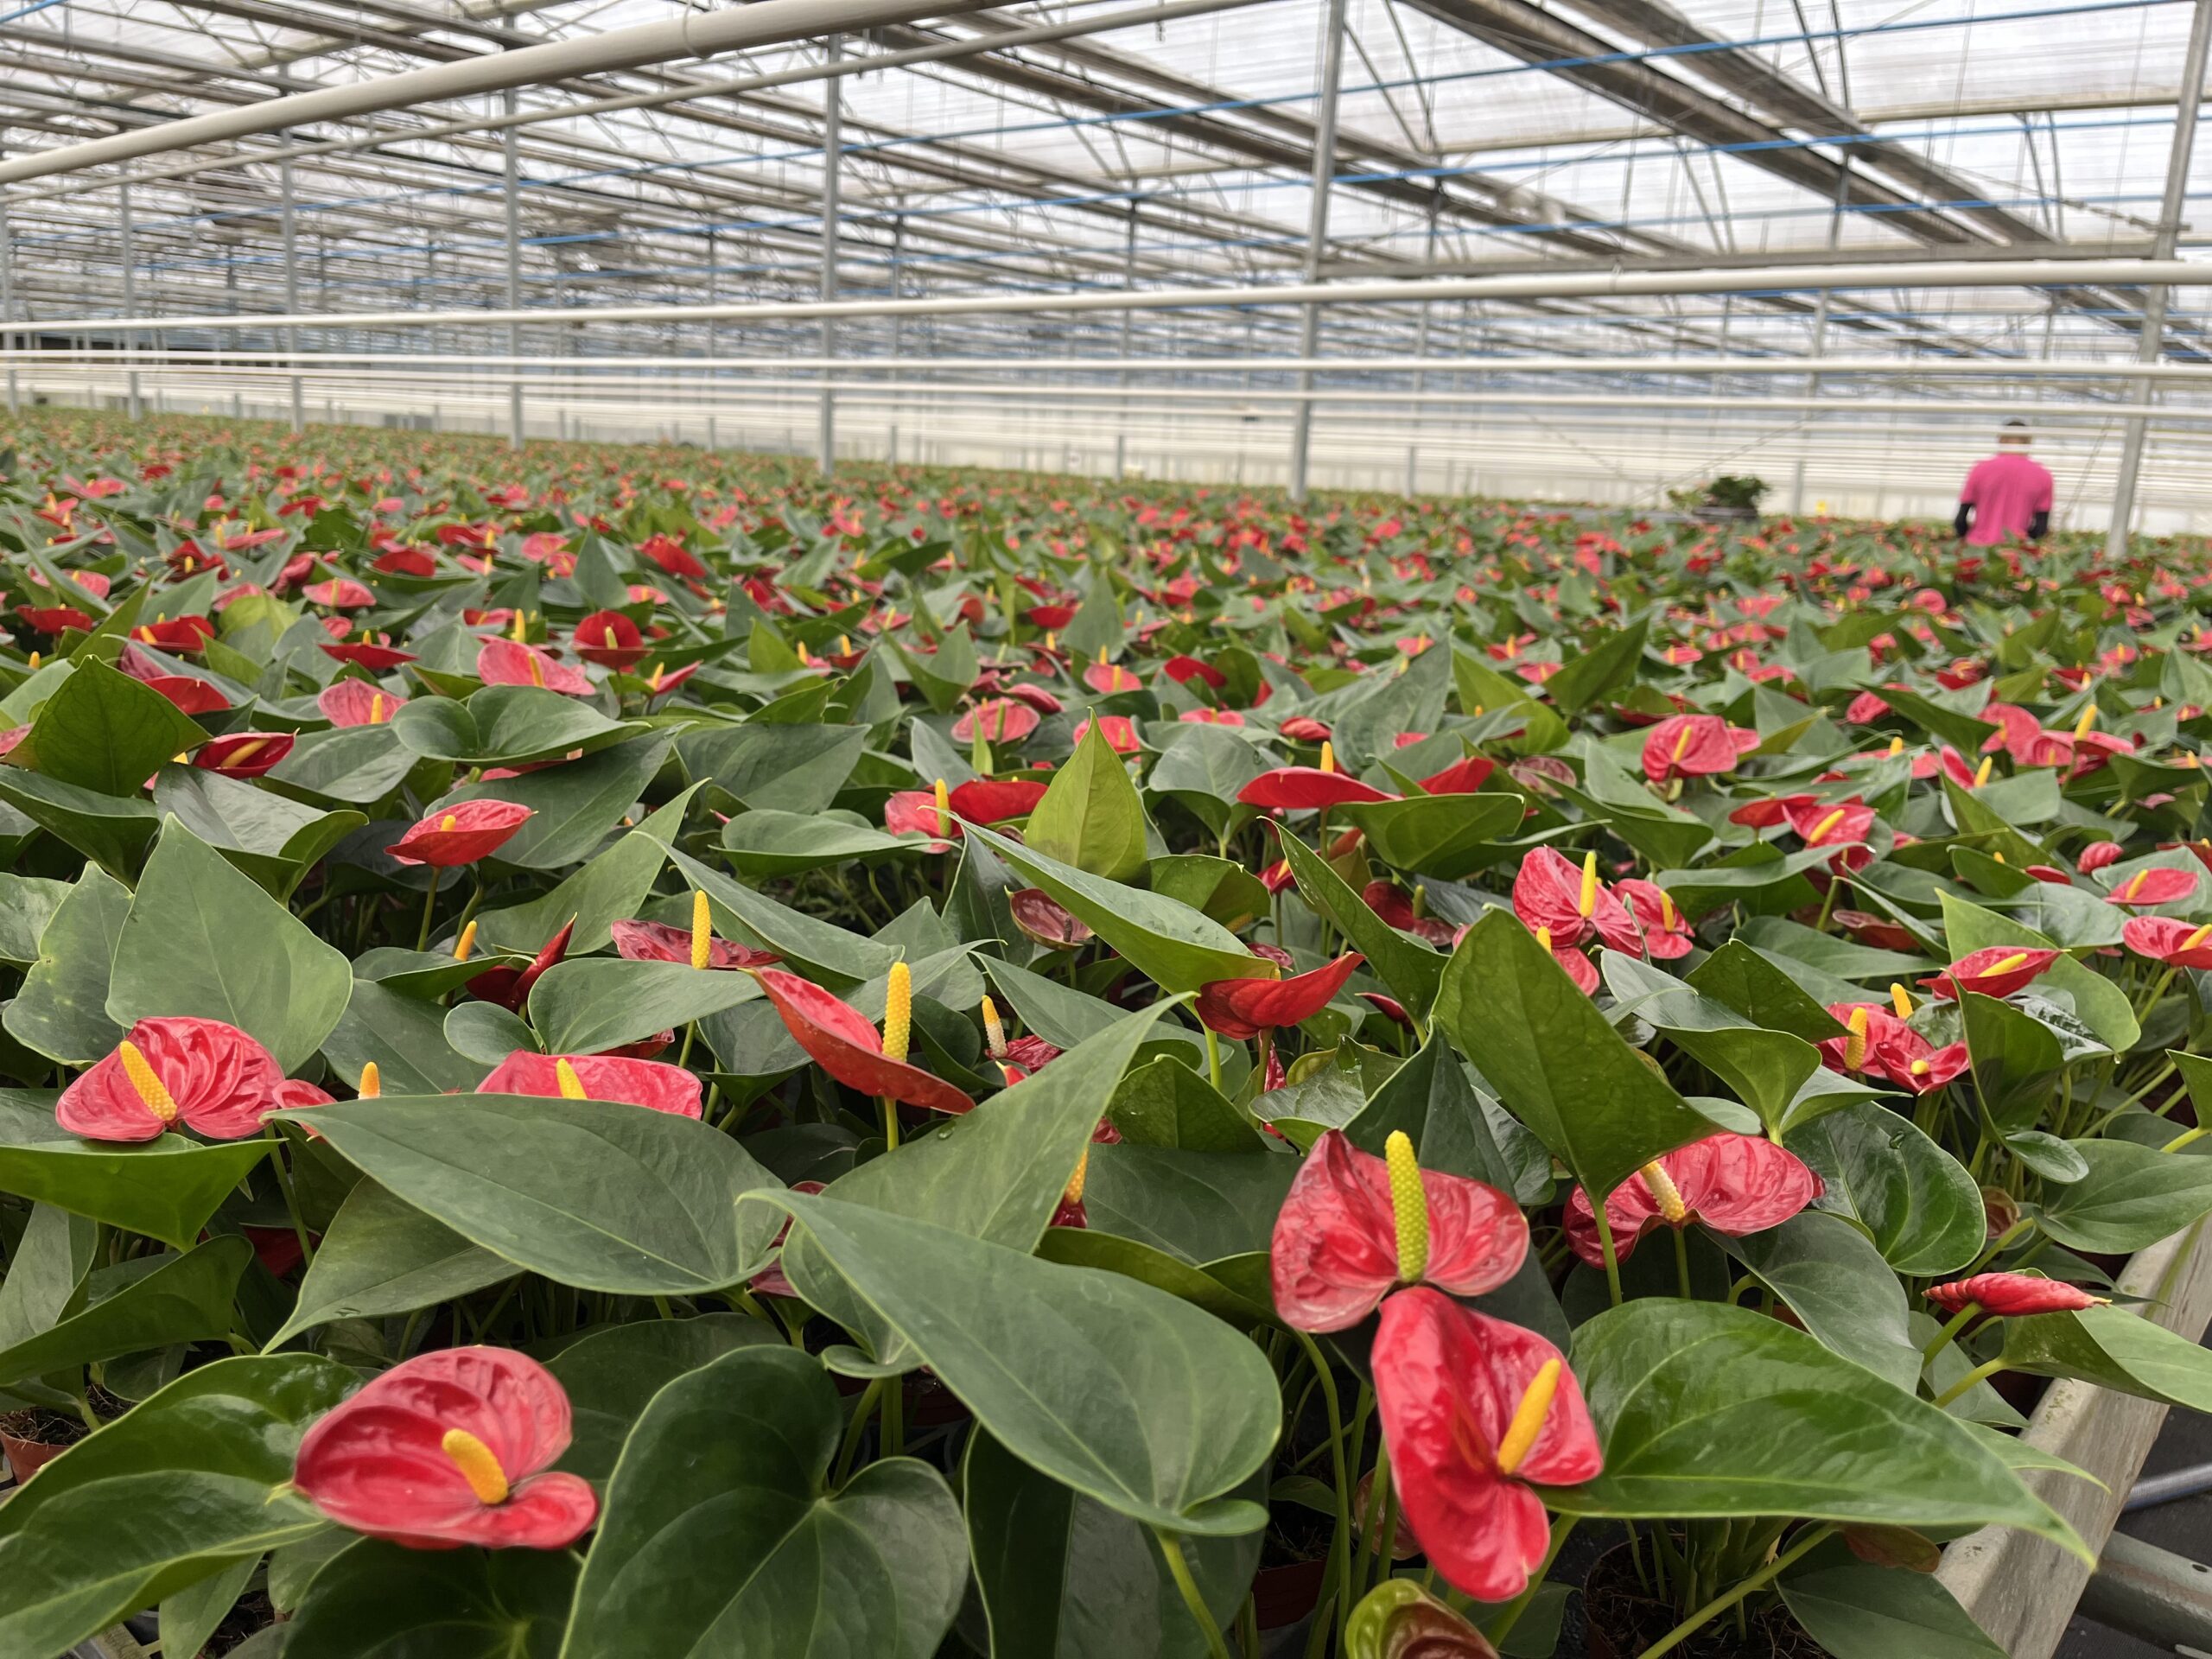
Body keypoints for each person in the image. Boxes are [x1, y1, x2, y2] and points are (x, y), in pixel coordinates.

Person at [1955, 420, 2053, 547]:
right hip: (2015, 552)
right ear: (2028, 442)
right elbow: (2041, 528)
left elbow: (1960, 521)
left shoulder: (1979, 470)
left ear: (2001, 439)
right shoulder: (2043, 476)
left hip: (1977, 549)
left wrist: (1967, 539)